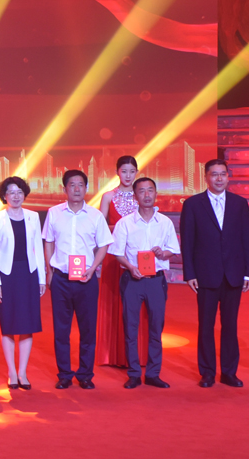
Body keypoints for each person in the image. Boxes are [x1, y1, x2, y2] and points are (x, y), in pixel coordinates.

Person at [180, 158, 249, 388]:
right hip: (205, 275)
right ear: (206, 177)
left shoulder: (240, 203)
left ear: (228, 177)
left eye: (223, 174)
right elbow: (187, 241)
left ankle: (229, 372)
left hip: (233, 274)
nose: (219, 178)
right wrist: (189, 273)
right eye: (214, 174)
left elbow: (247, 239)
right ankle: (207, 372)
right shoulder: (193, 204)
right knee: (206, 326)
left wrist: (248, 273)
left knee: (230, 326)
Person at [42, 169, 112, 390]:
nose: (76, 189)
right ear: (64, 188)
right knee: (61, 330)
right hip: (61, 279)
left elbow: (104, 245)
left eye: (81, 184)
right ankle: (64, 374)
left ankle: (85, 375)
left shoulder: (95, 216)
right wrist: (49, 271)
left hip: (86, 280)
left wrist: (93, 268)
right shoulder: (54, 213)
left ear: (86, 188)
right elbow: (48, 242)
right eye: (72, 185)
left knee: (88, 329)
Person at [109, 177, 178, 389]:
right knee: (131, 327)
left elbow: (173, 250)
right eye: (142, 191)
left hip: (156, 281)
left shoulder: (165, 222)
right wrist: (131, 267)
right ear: (135, 196)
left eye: (150, 190)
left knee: (156, 327)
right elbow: (117, 253)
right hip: (132, 280)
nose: (146, 195)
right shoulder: (125, 223)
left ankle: (153, 373)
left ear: (156, 194)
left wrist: (162, 253)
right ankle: (134, 374)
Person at [0, 176, 44, 390]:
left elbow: (38, 248)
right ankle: (11, 372)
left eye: (20, 191)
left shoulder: (33, 217)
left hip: (28, 274)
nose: (16, 196)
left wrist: (41, 278)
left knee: (28, 325)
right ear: (4, 196)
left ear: (25, 194)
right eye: (11, 192)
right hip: (7, 275)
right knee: (8, 324)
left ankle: (23, 372)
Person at [97, 155, 143, 368]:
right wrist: (120, 229)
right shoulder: (108, 196)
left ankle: (136, 353)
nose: (128, 175)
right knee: (114, 299)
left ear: (137, 173)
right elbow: (100, 227)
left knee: (137, 302)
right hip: (114, 254)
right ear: (117, 172)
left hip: (137, 253)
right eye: (124, 171)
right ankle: (112, 354)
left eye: (132, 171)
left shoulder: (141, 195)